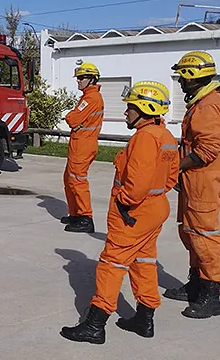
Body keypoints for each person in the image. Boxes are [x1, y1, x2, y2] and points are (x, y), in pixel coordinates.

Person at [60, 81, 179, 344]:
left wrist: (124, 202)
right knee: (144, 261)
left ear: (144, 109)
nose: (126, 111)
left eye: (130, 107)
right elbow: (171, 179)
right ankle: (145, 318)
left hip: (133, 213)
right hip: (155, 209)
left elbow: (137, 185)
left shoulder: (145, 138)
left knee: (112, 263)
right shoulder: (165, 136)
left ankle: (95, 324)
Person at [163, 51, 220, 319]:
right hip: (196, 180)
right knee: (191, 233)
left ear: (192, 77)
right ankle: (196, 283)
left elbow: (207, 150)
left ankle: (211, 294)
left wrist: (175, 167)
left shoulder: (208, 106)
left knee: (204, 237)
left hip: (204, 181)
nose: (180, 81)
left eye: (182, 76)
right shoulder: (204, 102)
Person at [60, 61, 105, 233]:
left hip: (83, 144)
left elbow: (72, 119)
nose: (78, 81)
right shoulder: (88, 97)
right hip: (81, 143)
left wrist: (71, 117)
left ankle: (86, 218)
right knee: (69, 179)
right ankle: (75, 214)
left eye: (81, 78)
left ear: (92, 79)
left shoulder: (91, 98)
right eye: (78, 78)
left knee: (77, 180)